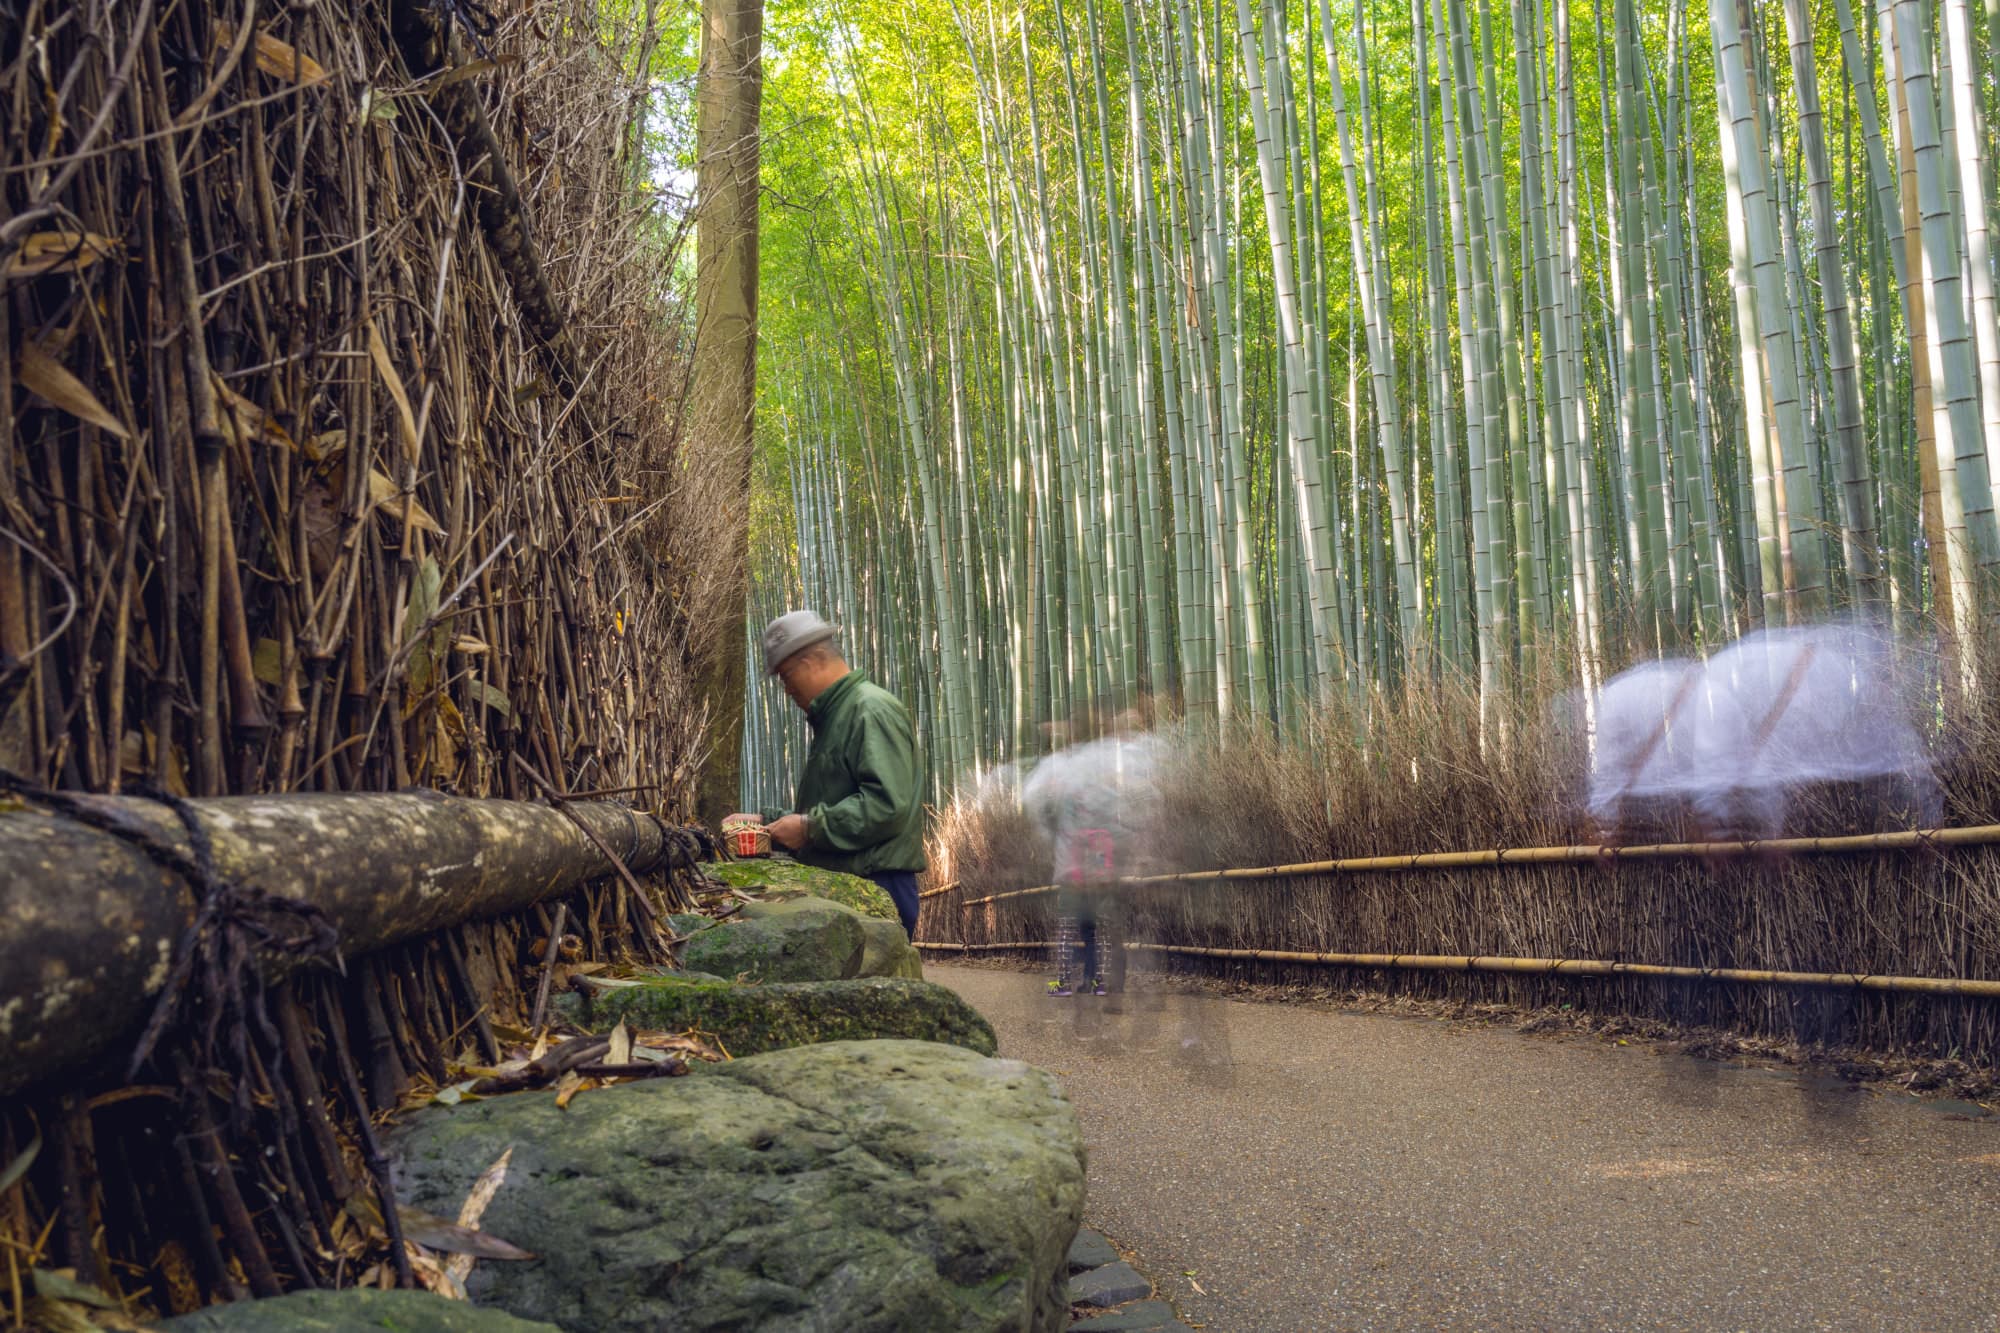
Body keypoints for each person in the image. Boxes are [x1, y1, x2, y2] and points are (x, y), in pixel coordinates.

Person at [727, 611, 927, 938]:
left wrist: (810, 828)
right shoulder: (838, 715)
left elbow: (887, 805)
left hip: (876, 884)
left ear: (815, 660)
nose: (786, 689)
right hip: (855, 882)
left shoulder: (869, 710)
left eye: (786, 675)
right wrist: (765, 820)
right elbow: (835, 801)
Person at [1019, 693, 1166, 997]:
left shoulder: (1058, 770)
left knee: (1069, 926)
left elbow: (1035, 804)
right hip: (1101, 864)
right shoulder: (1105, 764)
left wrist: (1048, 837)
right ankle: (1098, 981)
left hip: (1072, 866)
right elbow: (1123, 810)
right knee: (1096, 927)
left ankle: (1065, 981)